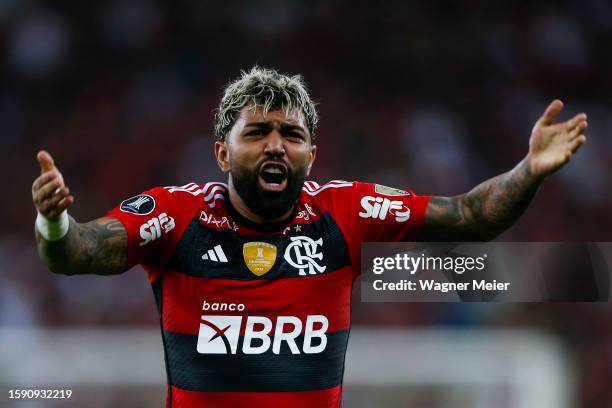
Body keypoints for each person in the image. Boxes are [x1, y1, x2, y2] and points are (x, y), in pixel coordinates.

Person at [32, 66, 587, 407]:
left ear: (311, 155)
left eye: (291, 134)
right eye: (257, 133)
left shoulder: (346, 209)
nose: (276, 144)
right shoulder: (176, 215)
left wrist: (529, 170)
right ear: (222, 153)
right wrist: (54, 221)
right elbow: (77, 252)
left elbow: (470, 216)